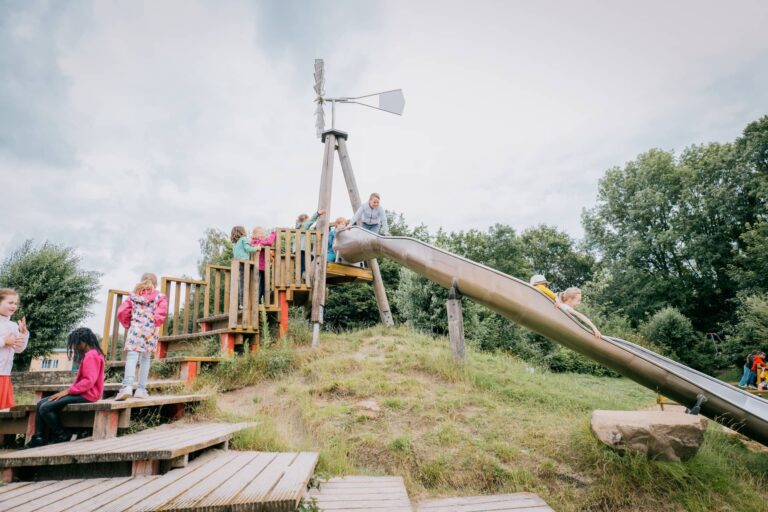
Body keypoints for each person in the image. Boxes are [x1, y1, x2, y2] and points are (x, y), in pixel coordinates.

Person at [26, 327, 104, 447]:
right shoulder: (91, 354)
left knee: (46, 407)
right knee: (40, 403)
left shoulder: (91, 356)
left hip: (88, 395)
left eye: (75, 343)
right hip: (83, 392)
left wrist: (67, 391)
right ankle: (38, 437)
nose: (74, 347)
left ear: (83, 342)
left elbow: (88, 381)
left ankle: (63, 434)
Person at [115, 273, 168, 401]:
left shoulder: (133, 296)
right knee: (145, 359)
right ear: (155, 284)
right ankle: (141, 389)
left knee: (132, 357)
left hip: (135, 329)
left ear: (142, 281)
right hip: (149, 331)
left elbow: (122, 312)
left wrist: (128, 323)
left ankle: (127, 387)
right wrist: (154, 322)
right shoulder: (160, 297)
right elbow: (162, 313)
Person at [0, 288, 29, 411]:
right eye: (10, 302)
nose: (14, 306)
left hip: (4, 374)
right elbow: (6, 342)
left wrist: (23, 333)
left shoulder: (13, 326)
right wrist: (4, 341)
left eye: (16, 303)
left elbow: (18, 349)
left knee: (2, 414)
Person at [231, 226, 260, 306]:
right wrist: (257, 248)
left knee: (242, 283)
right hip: (245, 263)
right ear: (242, 232)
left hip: (239, 264)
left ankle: (241, 303)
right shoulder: (243, 239)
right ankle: (243, 303)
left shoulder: (235, 244)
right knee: (246, 283)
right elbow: (248, 248)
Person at [295, 209, 326, 276]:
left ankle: (302, 273)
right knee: (302, 264)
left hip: (300, 249)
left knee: (310, 257)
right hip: (301, 249)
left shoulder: (299, 228)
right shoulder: (304, 226)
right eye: (307, 220)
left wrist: (315, 229)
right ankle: (302, 274)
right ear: (305, 220)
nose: (308, 222)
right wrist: (317, 213)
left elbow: (309, 229)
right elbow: (311, 221)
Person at [250, 227, 277, 303]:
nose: (262, 234)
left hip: (261, 267)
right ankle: (259, 300)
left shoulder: (255, 242)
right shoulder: (258, 242)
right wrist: (273, 233)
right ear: (255, 235)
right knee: (261, 285)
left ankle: (260, 300)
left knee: (262, 285)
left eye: (262, 233)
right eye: (260, 233)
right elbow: (269, 242)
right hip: (261, 267)